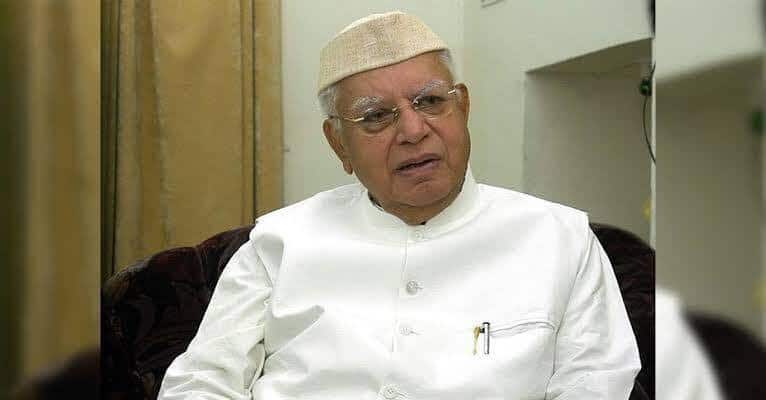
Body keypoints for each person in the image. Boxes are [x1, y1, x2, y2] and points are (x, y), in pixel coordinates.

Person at [159, 11, 640, 399]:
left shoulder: (560, 239)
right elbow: (200, 383)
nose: (412, 131)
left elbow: (595, 385)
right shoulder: (278, 244)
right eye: (375, 116)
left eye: (430, 102)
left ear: (463, 108)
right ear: (338, 143)